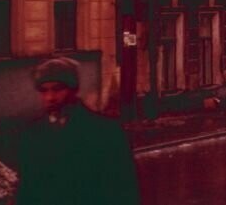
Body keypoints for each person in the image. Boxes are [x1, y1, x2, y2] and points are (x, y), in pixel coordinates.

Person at [16, 57, 140, 205]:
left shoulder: (105, 131)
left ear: (73, 89)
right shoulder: (31, 134)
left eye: (57, 89)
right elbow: (27, 190)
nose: (50, 97)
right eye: (44, 90)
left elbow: (125, 190)